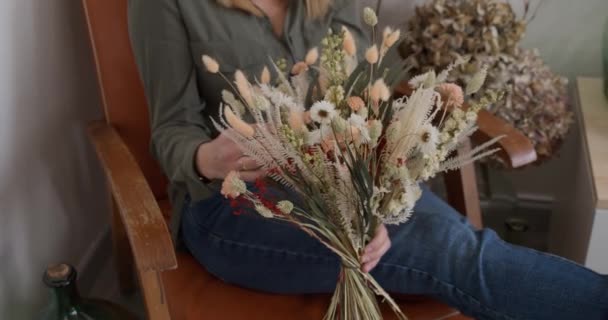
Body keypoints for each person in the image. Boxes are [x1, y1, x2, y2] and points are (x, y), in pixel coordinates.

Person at [128, 0, 608, 319]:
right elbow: (170, 129)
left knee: (458, 248)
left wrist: (366, 203)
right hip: (237, 207)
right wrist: (205, 156)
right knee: (454, 253)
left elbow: (361, 103)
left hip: (351, 182)